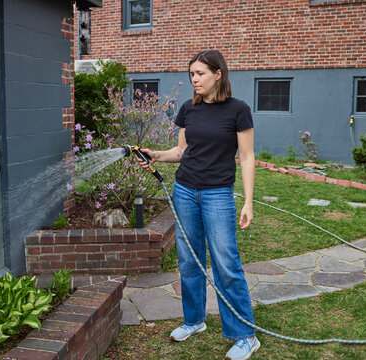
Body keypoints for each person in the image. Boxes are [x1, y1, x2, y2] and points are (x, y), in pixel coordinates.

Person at [136, 49, 259, 360]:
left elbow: (246, 157)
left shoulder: (238, 110)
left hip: (218, 194)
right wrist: (157, 155)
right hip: (185, 191)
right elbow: (181, 151)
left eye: (200, 73)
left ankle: (245, 335)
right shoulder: (189, 109)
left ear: (218, 74)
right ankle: (194, 320)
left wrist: (248, 201)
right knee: (189, 260)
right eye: (191, 73)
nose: (194, 78)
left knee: (225, 263)